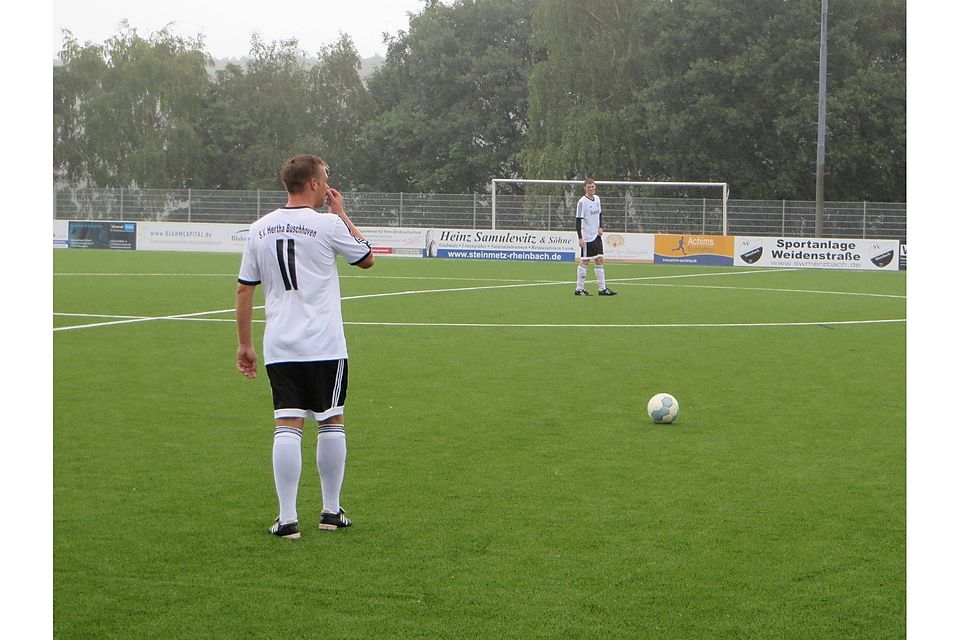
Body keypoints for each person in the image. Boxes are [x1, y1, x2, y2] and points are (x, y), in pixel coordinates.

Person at [235, 154, 374, 539]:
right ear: (313, 183)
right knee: (330, 420)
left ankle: (287, 518)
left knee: (287, 424)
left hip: (280, 344)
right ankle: (330, 510)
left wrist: (244, 344)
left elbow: (245, 288)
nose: (329, 184)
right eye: (326, 177)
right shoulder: (327, 224)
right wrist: (342, 212)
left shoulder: (259, 228)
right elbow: (366, 258)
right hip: (325, 344)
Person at [574, 178, 617, 296]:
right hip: (587, 236)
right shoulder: (582, 202)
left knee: (599, 259)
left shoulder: (597, 199)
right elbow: (578, 220)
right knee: (585, 260)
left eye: (593, 186)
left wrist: (601, 226)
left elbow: (600, 214)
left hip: (596, 235)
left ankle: (602, 289)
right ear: (585, 188)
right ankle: (579, 289)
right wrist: (580, 237)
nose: (591, 189)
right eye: (589, 187)